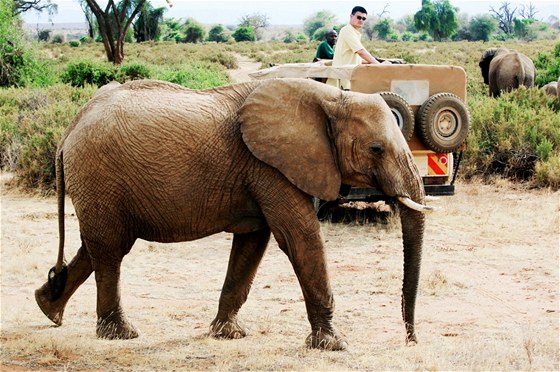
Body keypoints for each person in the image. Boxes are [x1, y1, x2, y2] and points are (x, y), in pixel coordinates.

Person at [326, 6, 385, 89]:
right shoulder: (347, 30)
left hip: (348, 78)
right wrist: (380, 66)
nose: (361, 20)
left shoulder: (354, 33)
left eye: (363, 19)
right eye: (359, 17)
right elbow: (361, 51)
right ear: (351, 16)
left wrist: (372, 62)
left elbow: (354, 57)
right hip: (342, 81)